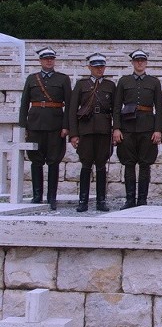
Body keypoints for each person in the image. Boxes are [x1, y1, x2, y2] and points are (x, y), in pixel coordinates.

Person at [19, 47, 71, 210]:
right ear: (40, 61)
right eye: (46, 59)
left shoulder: (62, 79)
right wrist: (23, 126)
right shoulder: (32, 79)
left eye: (51, 58)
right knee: (36, 160)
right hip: (35, 124)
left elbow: (69, 105)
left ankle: (51, 197)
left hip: (55, 125)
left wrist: (66, 126)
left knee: (54, 161)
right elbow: (24, 103)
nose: (49, 61)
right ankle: (37, 195)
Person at [112, 50, 162, 209]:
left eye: (142, 60)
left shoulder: (154, 82)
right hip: (128, 127)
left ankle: (142, 199)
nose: (140, 63)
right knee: (128, 163)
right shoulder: (124, 81)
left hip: (147, 127)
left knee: (145, 164)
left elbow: (158, 108)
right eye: (137, 61)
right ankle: (130, 199)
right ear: (133, 63)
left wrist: (157, 129)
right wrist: (117, 128)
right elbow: (117, 106)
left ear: (146, 63)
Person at [68, 53, 116, 212]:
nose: (99, 69)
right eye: (96, 67)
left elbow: (115, 110)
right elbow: (72, 110)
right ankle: (83, 200)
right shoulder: (81, 85)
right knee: (86, 164)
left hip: (103, 129)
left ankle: (101, 200)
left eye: (101, 67)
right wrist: (74, 134)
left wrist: (115, 129)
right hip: (86, 129)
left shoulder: (110, 85)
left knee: (101, 165)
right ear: (90, 67)